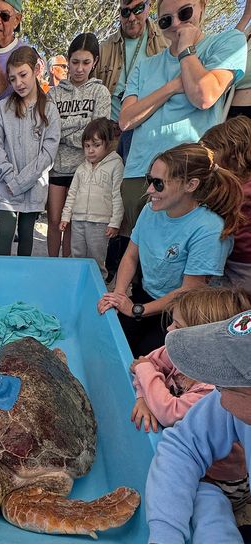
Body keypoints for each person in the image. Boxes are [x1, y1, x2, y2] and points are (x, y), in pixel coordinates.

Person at [145, 308, 251, 544]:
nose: (215, 388)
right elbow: (182, 443)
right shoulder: (235, 406)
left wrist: (207, 498)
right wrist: (165, 541)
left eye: (227, 380)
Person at [118, 0, 246, 239]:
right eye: (166, 20)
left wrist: (186, 50)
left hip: (189, 175)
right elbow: (125, 120)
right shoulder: (145, 65)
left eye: (184, 13)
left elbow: (204, 95)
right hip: (139, 173)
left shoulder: (227, 42)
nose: (176, 24)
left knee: (185, 259)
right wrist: (172, 87)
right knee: (144, 259)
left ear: (202, 8)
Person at [97, 143, 241, 357]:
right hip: (145, 295)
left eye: (158, 183)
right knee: (111, 346)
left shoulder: (208, 230)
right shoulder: (150, 210)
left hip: (182, 314)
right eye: (149, 179)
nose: (149, 190)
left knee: (147, 360)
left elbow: (188, 291)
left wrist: (137, 310)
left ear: (190, 185)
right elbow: (130, 255)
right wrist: (118, 296)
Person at [132, 286, 251, 509]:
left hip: (222, 479)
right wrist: (143, 397)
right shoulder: (182, 351)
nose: (168, 328)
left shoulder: (214, 388)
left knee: (201, 507)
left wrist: (147, 376)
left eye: (177, 326)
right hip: (190, 449)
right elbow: (145, 362)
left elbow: (169, 412)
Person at [0, 45, 60, 256]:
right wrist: (10, 178)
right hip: (6, 187)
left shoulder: (49, 110)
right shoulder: (3, 109)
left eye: (23, 75)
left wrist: (21, 182)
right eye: (12, 78)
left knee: (27, 234)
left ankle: (22, 282)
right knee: (5, 233)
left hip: (34, 188)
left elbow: (48, 154)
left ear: (37, 70)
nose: (18, 83)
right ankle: (1, 280)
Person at [47, 33, 110, 258]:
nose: (79, 68)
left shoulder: (100, 92)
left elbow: (98, 135)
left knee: (71, 222)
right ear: (68, 60)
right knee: (54, 221)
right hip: (57, 166)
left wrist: (67, 131)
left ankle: (67, 268)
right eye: (75, 62)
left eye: (85, 62)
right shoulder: (54, 93)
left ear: (94, 62)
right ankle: (51, 266)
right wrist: (82, 128)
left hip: (84, 169)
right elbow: (51, 130)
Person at [93, 0, 166, 145]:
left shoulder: (166, 40)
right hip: (112, 136)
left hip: (150, 132)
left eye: (138, 9)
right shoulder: (104, 48)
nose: (131, 18)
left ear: (149, 6)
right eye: (125, 12)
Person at [59, 117, 123, 278]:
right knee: (77, 254)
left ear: (108, 143)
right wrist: (66, 216)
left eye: (96, 145)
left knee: (96, 258)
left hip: (100, 223)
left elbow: (117, 195)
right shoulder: (81, 168)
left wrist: (115, 222)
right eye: (87, 146)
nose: (91, 150)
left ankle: (98, 286)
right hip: (79, 220)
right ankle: (76, 281)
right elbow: (72, 193)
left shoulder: (116, 165)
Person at [200, 116, 251, 293]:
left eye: (214, 153)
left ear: (234, 154)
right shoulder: (231, 182)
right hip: (227, 258)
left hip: (243, 264)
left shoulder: (242, 189)